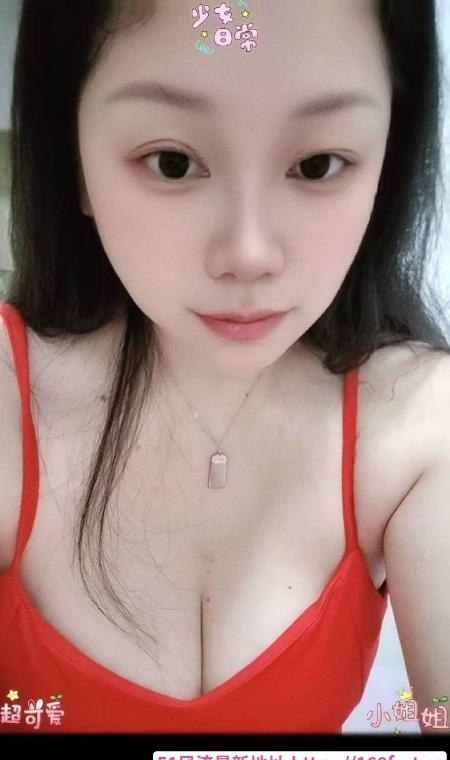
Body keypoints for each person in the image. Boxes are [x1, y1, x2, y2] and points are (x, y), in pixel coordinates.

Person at [0, 0, 449, 736]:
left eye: (317, 164)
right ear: (73, 159)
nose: (249, 254)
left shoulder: (419, 420)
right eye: (172, 162)